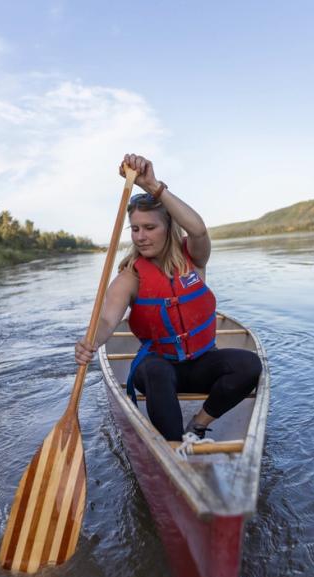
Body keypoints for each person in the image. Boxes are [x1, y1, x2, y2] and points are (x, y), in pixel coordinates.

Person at [75, 153, 262, 442]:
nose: (140, 236)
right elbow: (107, 319)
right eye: (135, 229)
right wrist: (90, 342)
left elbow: (198, 229)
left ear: (169, 229)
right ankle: (173, 450)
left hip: (200, 362)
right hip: (158, 368)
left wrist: (153, 187)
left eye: (150, 227)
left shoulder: (194, 258)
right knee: (157, 372)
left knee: (249, 365)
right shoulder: (130, 277)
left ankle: (197, 426)